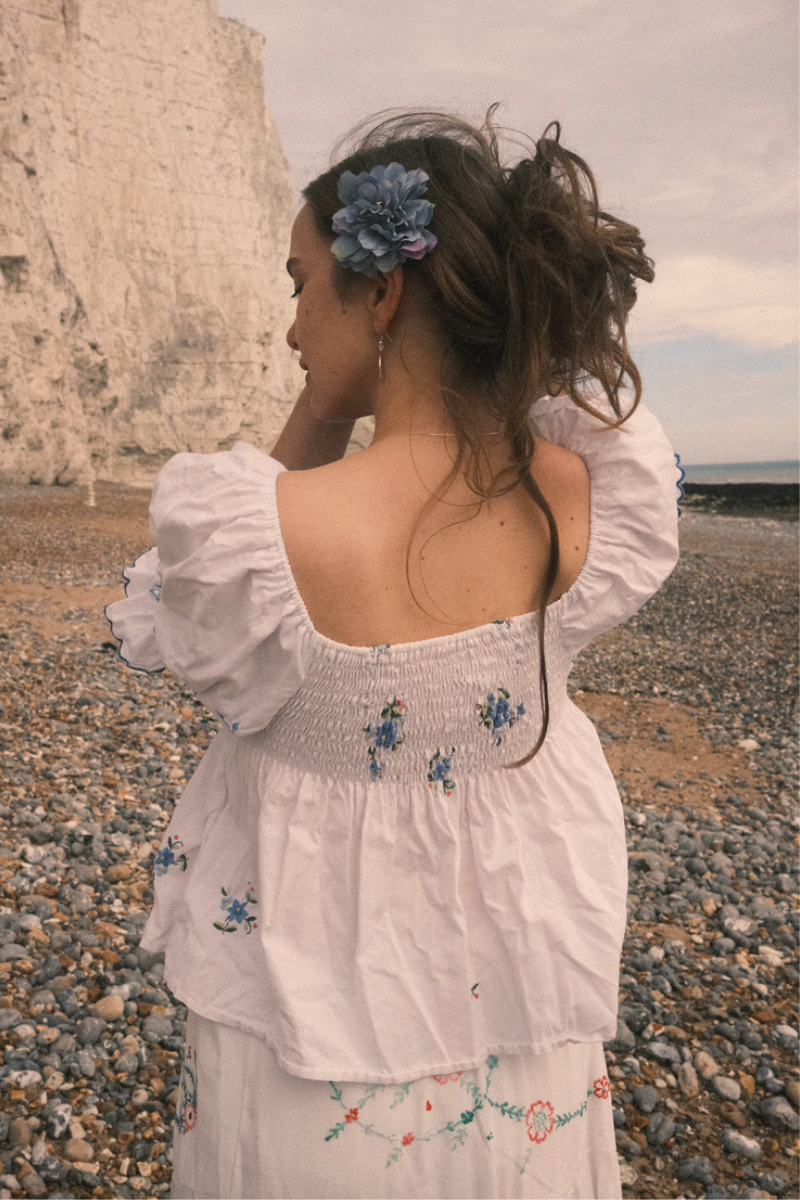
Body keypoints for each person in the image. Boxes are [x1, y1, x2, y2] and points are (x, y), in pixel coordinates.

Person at [105, 109, 680, 1199]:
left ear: (380, 293)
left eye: (298, 285)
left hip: (305, 1037)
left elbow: (157, 619)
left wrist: (314, 423)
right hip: (515, 1012)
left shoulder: (267, 534)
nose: (289, 330)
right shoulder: (575, 497)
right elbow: (563, 422)